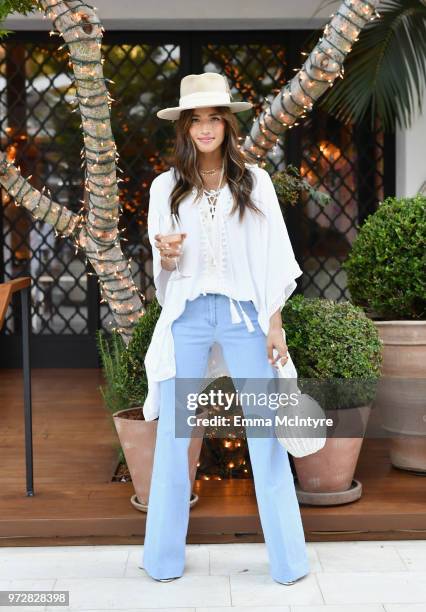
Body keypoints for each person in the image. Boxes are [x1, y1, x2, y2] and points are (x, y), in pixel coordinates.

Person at [141, 72, 310, 585]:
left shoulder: (254, 181)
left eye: (215, 118)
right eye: (197, 119)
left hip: (243, 317)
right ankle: (162, 560)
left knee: (266, 436)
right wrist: (165, 256)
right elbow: (163, 268)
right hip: (188, 318)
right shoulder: (165, 187)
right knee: (175, 438)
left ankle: (288, 562)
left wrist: (274, 323)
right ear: (185, 128)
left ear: (227, 125)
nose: (207, 128)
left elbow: (274, 255)